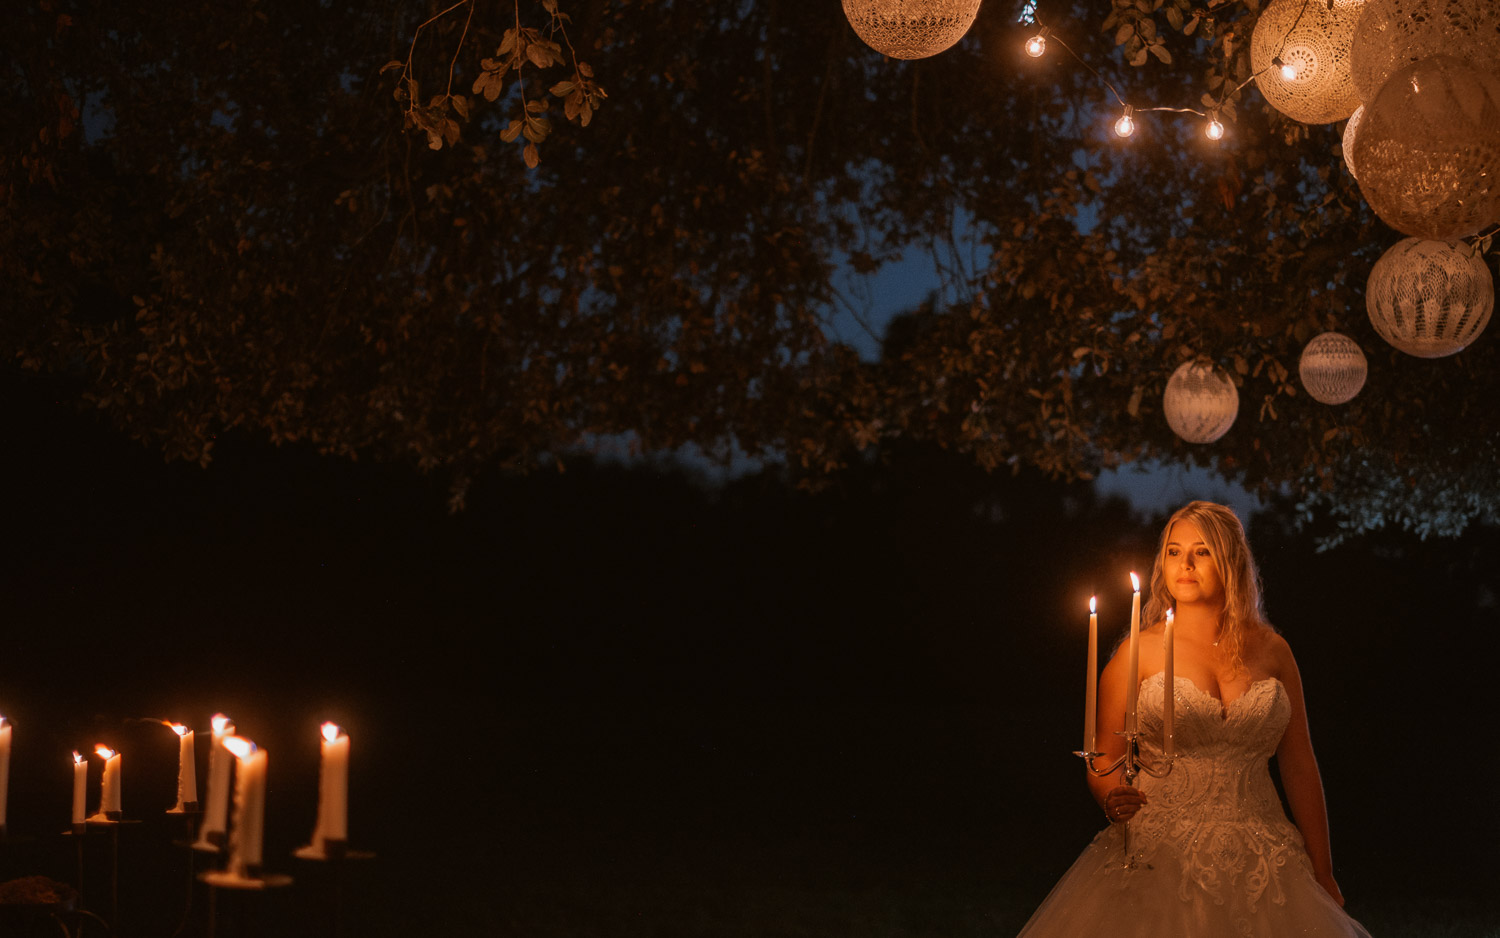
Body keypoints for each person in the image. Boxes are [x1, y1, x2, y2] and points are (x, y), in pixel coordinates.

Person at [1016, 501, 1372, 937]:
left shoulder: (1274, 650)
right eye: (1173, 551)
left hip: (1266, 854)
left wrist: (1323, 868)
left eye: (1201, 552)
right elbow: (1103, 761)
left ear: (1231, 562)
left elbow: (1299, 764)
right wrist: (1112, 798)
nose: (1184, 564)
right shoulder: (1137, 654)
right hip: (1159, 851)